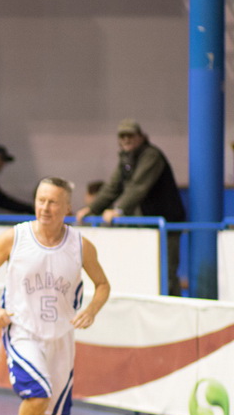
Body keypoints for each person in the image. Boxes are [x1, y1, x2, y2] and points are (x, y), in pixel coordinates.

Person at [0, 177, 111, 415]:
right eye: (40, 200)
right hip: (23, 329)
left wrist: (91, 309)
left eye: (52, 202)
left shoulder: (81, 245)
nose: (44, 207)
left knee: (53, 412)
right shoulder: (16, 237)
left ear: (67, 207)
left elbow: (103, 284)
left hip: (62, 335)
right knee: (39, 393)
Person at [76, 119, 185, 296]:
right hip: (146, 224)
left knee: (166, 273)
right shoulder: (126, 158)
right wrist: (91, 208)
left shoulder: (151, 155)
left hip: (165, 224)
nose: (126, 139)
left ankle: (173, 308)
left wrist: (118, 209)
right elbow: (112, 186)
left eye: (131, 135)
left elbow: (138, 186)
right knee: (147, 271)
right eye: (122, 136)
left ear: (141, 137)